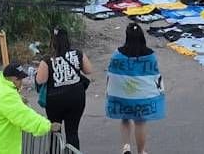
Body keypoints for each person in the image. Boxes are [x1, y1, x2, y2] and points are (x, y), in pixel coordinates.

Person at [0, 63, 52, 153]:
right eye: (19, 79)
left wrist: (18, 99)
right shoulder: (6, 95)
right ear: (13, 79)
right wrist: (48, 126)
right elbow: (24, 116)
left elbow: (3, 103)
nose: (21, 82)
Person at [106, 23, 165, 154]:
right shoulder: (150, 56)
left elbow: (112, 74)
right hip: (142, 98)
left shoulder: (118, 54)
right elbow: (154, 76)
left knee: (125, 119)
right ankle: (141, 151)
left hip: (123, 95)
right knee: (140, 123)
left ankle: (126, 147)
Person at [35, 28, 93, 151]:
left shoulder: (47, 60)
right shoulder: (77, 54)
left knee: (55, 131)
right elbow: (88, 70)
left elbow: (41, 80)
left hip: (55, 100)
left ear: (53, 42)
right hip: (76, 97)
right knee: (72, 132)